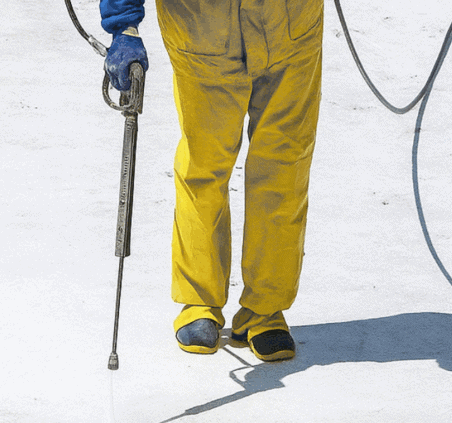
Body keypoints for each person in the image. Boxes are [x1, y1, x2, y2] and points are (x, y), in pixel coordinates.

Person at [101, 0, 323, 362]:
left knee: (285, 164)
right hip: (202, 26)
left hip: (290, 21)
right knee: (204, 163)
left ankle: (266, 309)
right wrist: (123, 25)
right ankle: (199, 301)